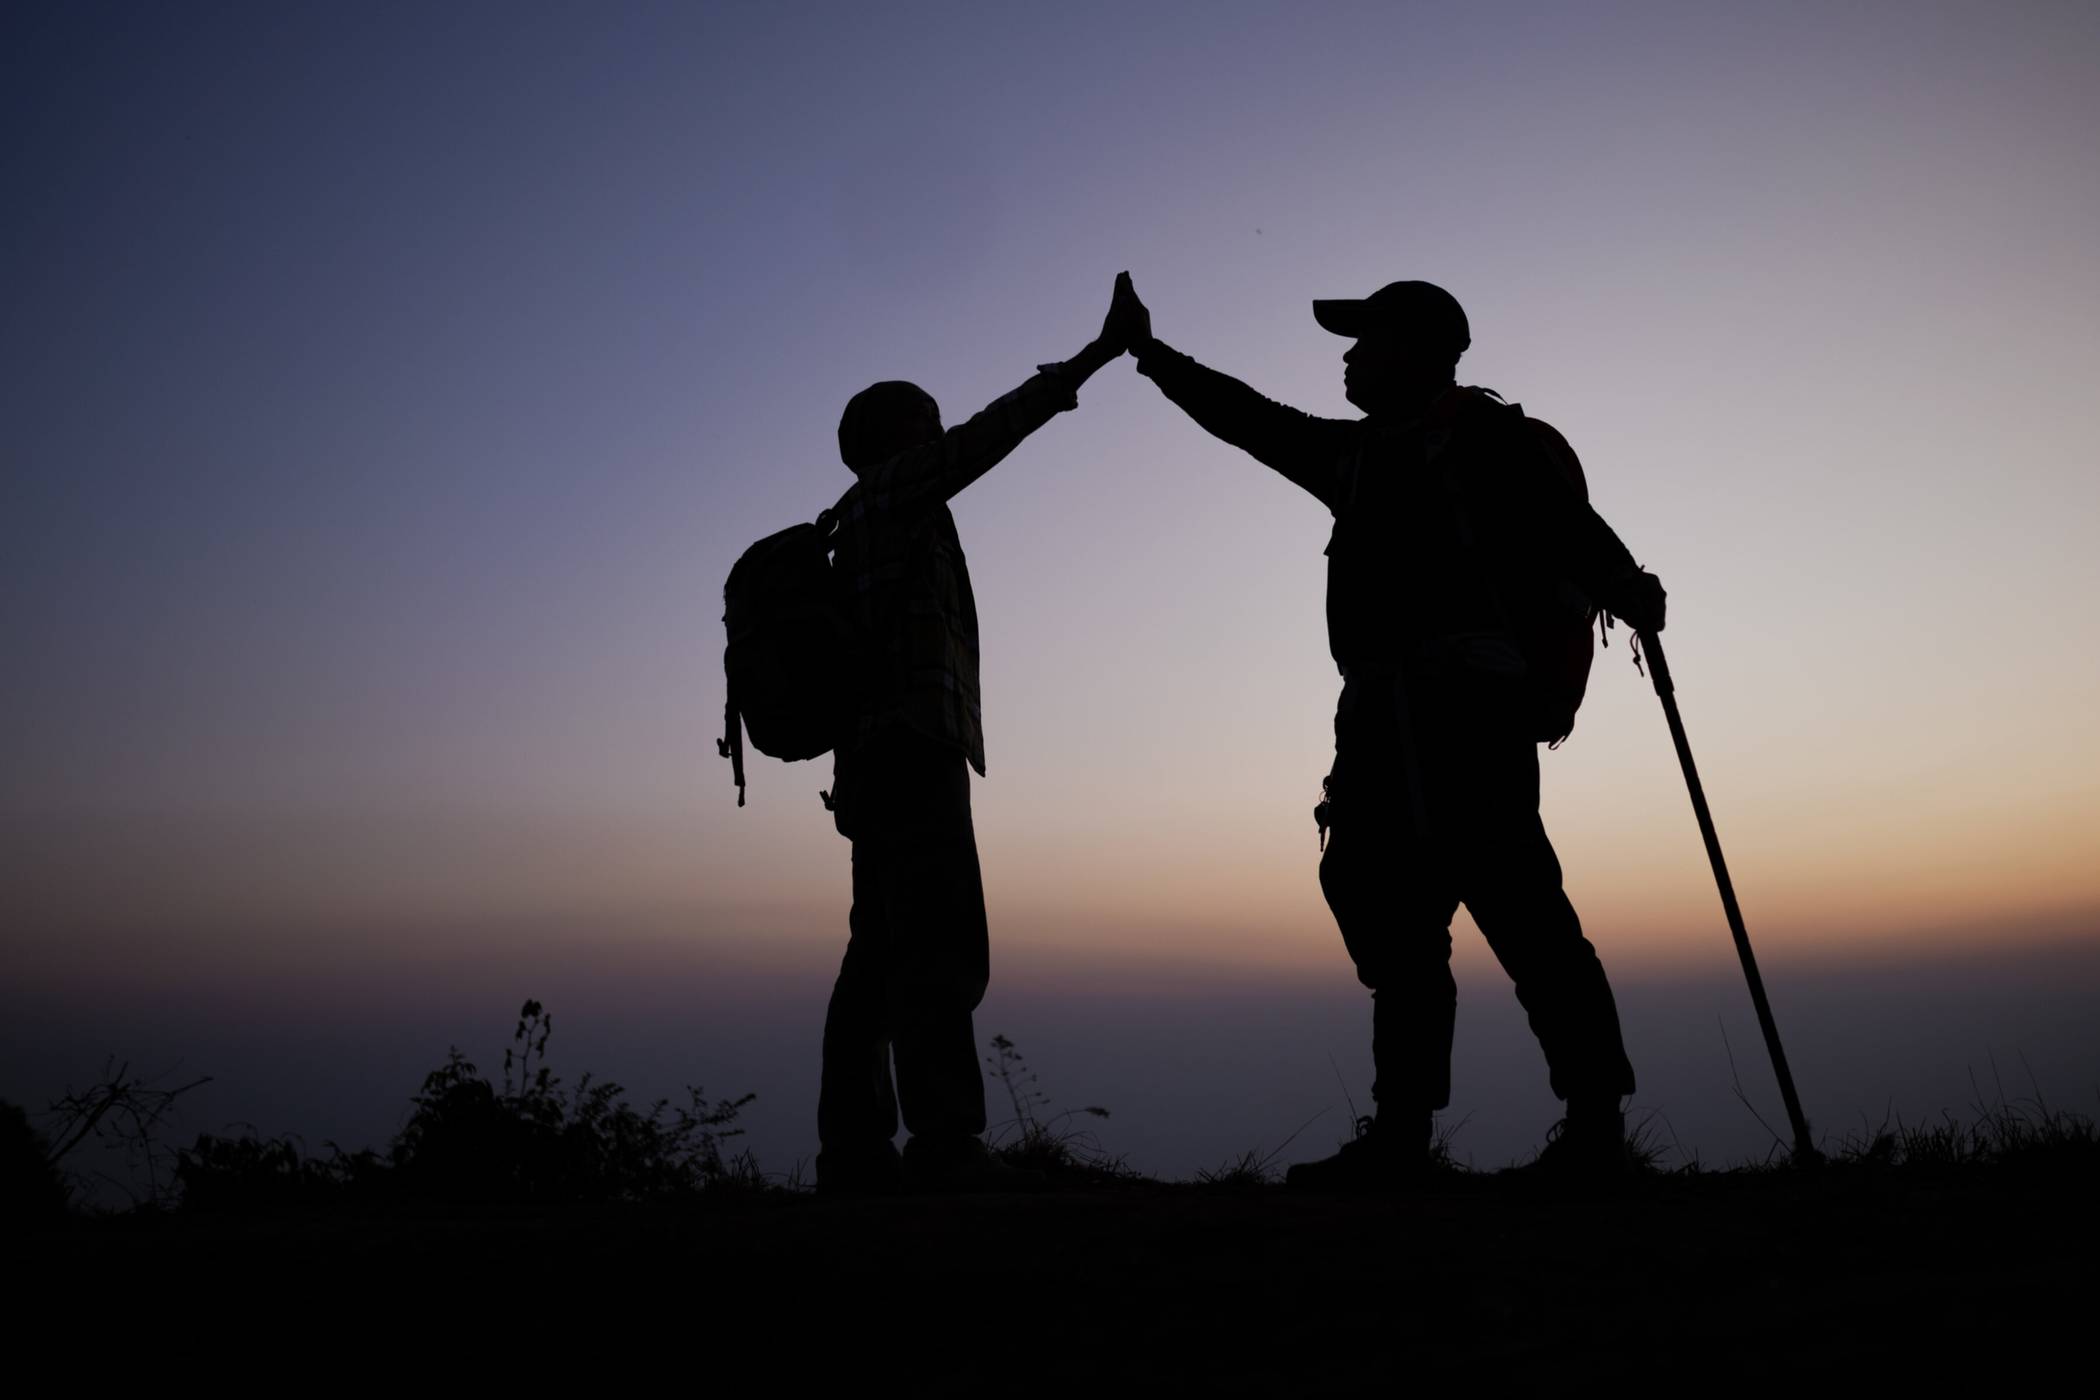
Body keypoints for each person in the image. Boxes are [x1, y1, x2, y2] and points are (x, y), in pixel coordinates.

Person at [1115, 274, 1668, 1184]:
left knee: (1522, 914)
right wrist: (1151, 355)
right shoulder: (1359, 457)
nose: (1348, 357)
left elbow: (1574, 532)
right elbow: (1246, 418)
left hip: (1471, 715)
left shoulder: (1492, 446)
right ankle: (1407, 1135)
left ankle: (1593, 1127)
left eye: (1365, 341)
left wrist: (1625, 587)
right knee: (1402, 930)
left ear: (1416, 349)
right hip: (1379, 724)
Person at [816, 281, 1139, 1193]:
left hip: (875, 758)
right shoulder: (897, 490)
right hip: (913, 749)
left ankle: (855, 1149)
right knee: (937, 944)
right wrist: (1092, 358)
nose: (942, 428)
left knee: (877, 950)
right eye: (928, 420)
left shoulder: (860, 519)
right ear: (896, 438)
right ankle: (946, 1144)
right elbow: (995, 433)